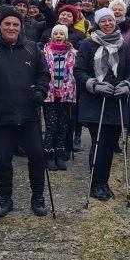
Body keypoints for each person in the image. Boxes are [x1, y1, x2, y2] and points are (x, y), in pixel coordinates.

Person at [0, 6, 52, 217]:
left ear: (21, 27)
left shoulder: (32, 49)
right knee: (3, 159)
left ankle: (38, 197)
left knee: (37, 156)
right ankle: (5, 198)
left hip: (29, 113)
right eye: (7, 23)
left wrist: (41, 91)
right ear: (0, 25)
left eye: (15, 24)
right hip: (1, 114)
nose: (11, 27)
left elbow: (43, 74)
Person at [75, 8, 130, 200]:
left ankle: (104, 182)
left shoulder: (123, 45)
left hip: (116, 101)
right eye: (103, 21)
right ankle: (95, 183)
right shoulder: (87, 44)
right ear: (97, 24)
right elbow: (79, 71)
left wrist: (127, 85)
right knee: (99, 142)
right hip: (95, 101)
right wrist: (93, 85)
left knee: (110, 145)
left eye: (110, 20)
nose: (107, 24)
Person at [41, 24, 77, 171]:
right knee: (51, 126)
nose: (58, 36)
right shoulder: (45, 52)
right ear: (51, 36)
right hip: (50, 93)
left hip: (66, 94)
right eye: (55, 33)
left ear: (66, 37)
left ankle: (59, 155)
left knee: (63, 125)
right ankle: (48, 155)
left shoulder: (73, 54)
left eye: (61, 34)